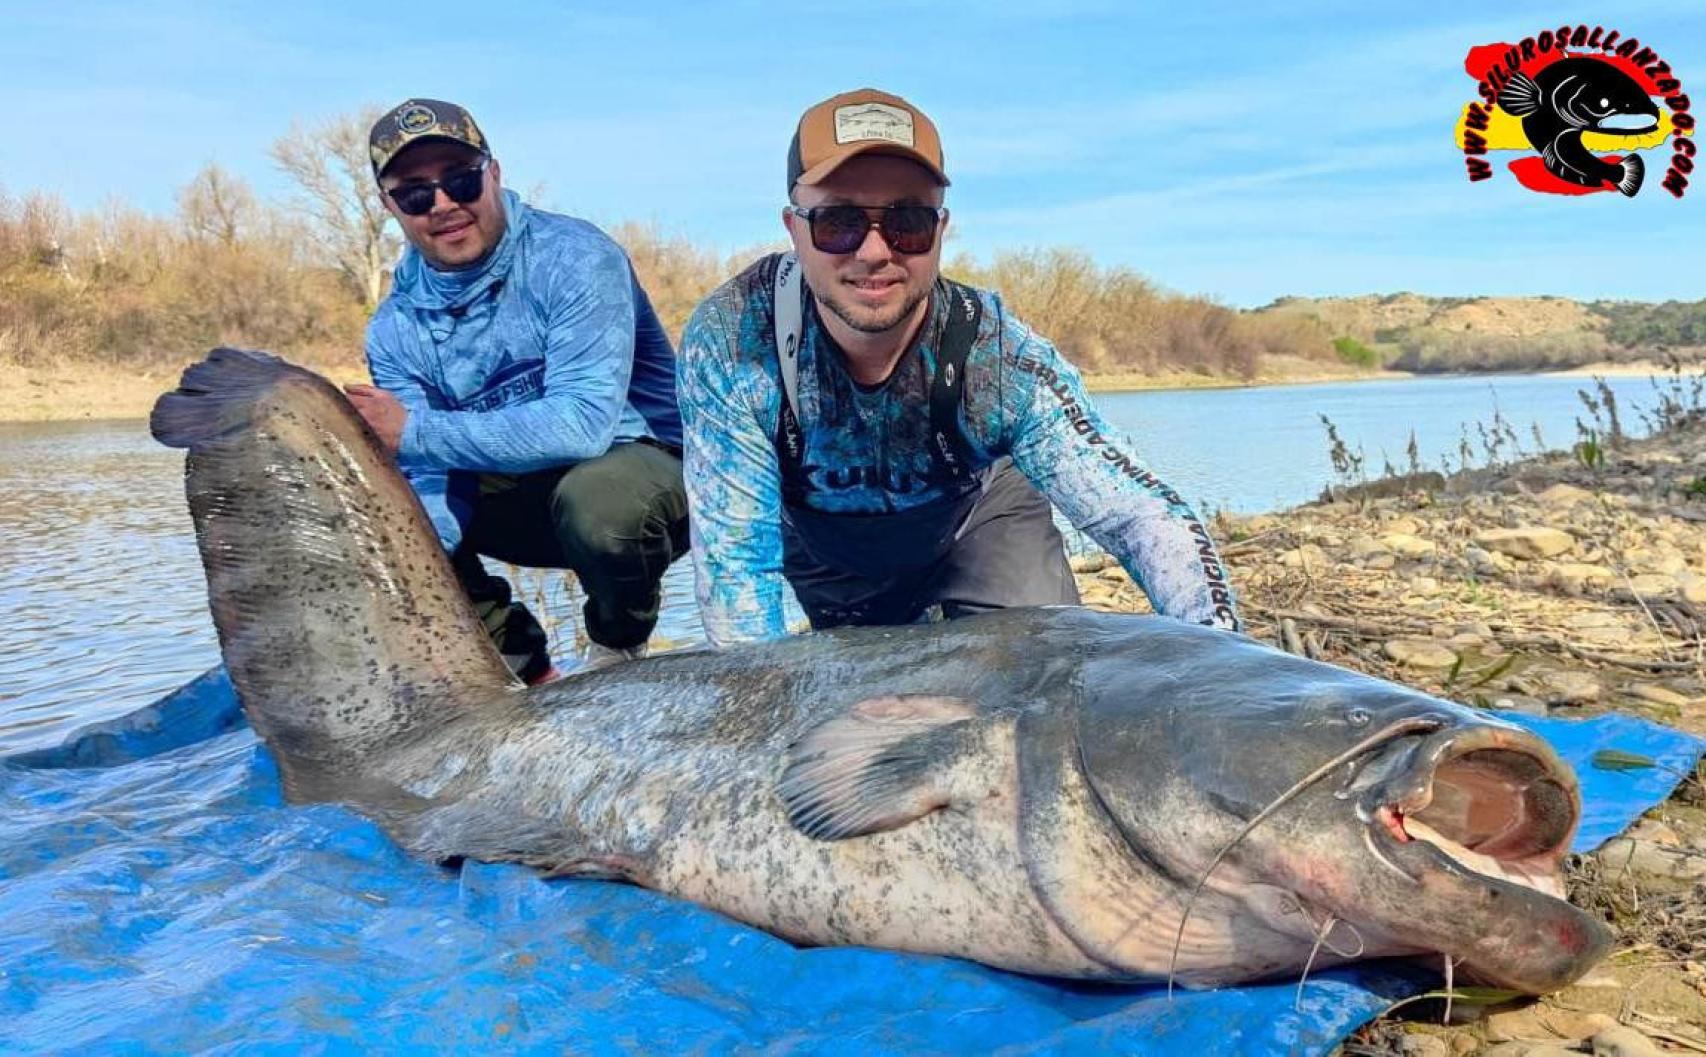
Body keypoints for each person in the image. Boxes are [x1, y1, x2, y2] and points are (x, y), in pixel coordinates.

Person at [676, 88, 1240, 647]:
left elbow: (1139, 515)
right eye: (838, 221)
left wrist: (1226, 660)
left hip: (982, 522)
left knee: (1041, 672)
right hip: (832, 554)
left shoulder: (998, 358)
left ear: (940, 230)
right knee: (858, 717)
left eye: (909, 221)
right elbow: (737, 569)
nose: (874, 251)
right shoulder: (733, 342)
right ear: (793, 228)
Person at [349, 98, 688, 681]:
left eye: (460, 180)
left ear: (494, 174)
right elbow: (428, 476)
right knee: (388, 525)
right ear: (390, 206)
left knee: (597, 499)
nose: (445, 204)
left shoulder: (576, 258)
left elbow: (583, 425)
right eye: (416, 194)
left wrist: (414, 431)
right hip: (523, 501)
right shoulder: (393, 329)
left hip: (644, 480)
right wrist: (419, 556)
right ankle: (525, 668)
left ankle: (618, 647)